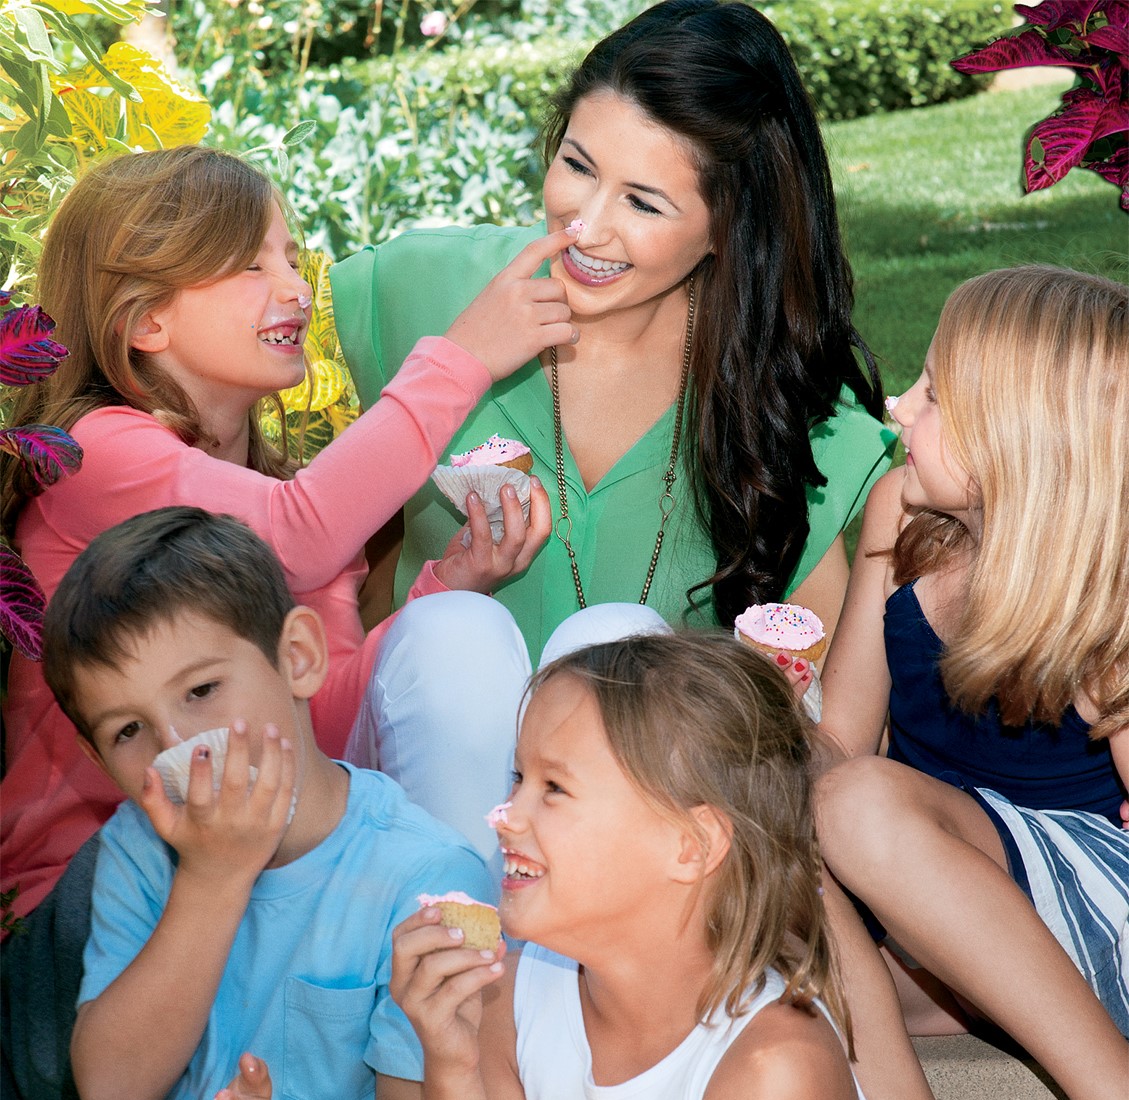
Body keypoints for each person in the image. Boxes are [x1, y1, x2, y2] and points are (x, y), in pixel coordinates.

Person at [1, 145, 578, 1100]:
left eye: (290, 254)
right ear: (145, 321)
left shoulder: (264, 494)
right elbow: (305, 530)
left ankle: (451, 1070)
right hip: (85, 936)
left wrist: (444, 589)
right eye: (249, 265)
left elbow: (316, 710)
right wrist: (464, 354)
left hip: (242, 903)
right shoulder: (98, 452)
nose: (293, 286)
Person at [304, 632, 883, 1100]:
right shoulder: (515, 996)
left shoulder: (777, 1063)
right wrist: (448, 1064)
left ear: (690, 843)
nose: (504, 815)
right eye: (518, 778)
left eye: (554, 789)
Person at [1, 507, 496, 1100]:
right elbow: (112, 1092)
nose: (177, 746)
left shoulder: (422, 871)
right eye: (128, 732)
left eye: (200, 692)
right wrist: (212, 880)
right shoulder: (138, 854)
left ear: (298, 658)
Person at [330, 0, 895, 665]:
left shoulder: (787, 404)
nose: (586, 227)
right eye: (577, 166)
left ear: (728, 227)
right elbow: (300, 549)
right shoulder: (407, 291)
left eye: (642, 201)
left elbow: (814, 683)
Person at [808, 266, 1128, 1100]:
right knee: (752, 910)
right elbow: (841, 743)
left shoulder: (1105, 590)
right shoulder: (903, 519)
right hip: (944, 905)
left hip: (1098, 903)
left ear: (1021, 438)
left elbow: (856, 794)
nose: (898, 403)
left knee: (855, 808)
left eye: (936, 393)